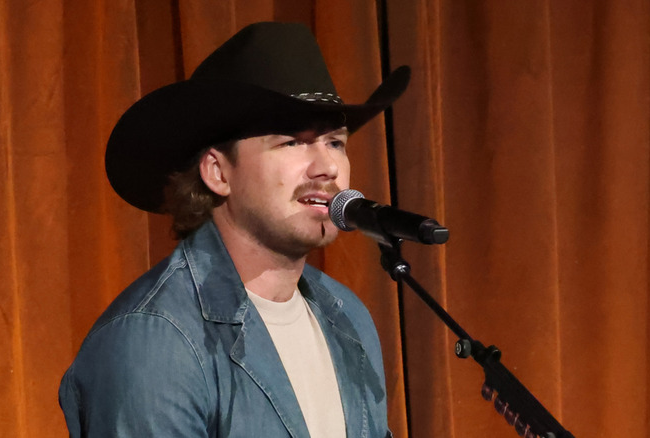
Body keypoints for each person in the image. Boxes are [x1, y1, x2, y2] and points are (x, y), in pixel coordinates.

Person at [59, 21, 410, 437]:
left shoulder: (347, 316)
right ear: (218, 172)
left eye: (335, 142)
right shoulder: (156, 341)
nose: (328, 167)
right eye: (292, 142)